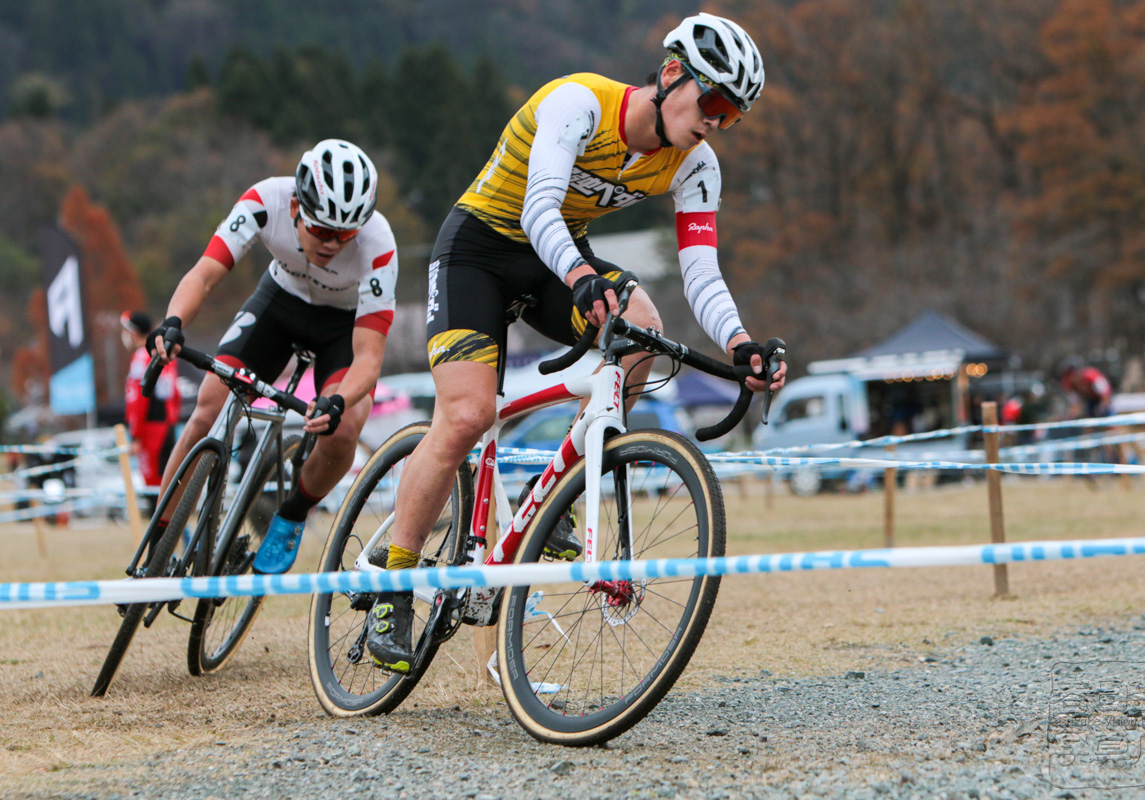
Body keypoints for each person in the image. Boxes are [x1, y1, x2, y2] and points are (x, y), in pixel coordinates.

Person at [362, 12, 787, 673]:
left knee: (644, 331)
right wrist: (584, 276)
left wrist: (740, 343)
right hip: (479, 247)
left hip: (554, 259)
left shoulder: (696, 165)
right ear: (673, 74)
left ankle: (556, 486)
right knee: (467, 416)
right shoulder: (579, 102)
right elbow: (539, 206)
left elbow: (702, 270)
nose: (716, 122)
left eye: (732, 115)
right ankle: (393, 585)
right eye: (713, 101)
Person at [149, 139, 398, 575]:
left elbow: (369, 358)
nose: (331, 244)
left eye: (344, 235)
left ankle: (293, 514)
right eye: (321, 230)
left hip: (342, 327)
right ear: (298, 207)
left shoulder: (378, 244)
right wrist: (173, 322)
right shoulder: (265, 201)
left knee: (343, 432)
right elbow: (205, 274)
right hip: (277, 305)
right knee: (206, 411)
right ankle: (159, 537)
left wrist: (337, 402)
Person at [121, 310, 181, 511]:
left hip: (151, 429)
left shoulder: (141, 356)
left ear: (135, 333)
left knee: (154, 487)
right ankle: (177, 532)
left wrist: (135, 434)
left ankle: (163, 537)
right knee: (167, 482)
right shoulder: (165, 354)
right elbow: (175, 395)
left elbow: (138, 398)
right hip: (167, 425)